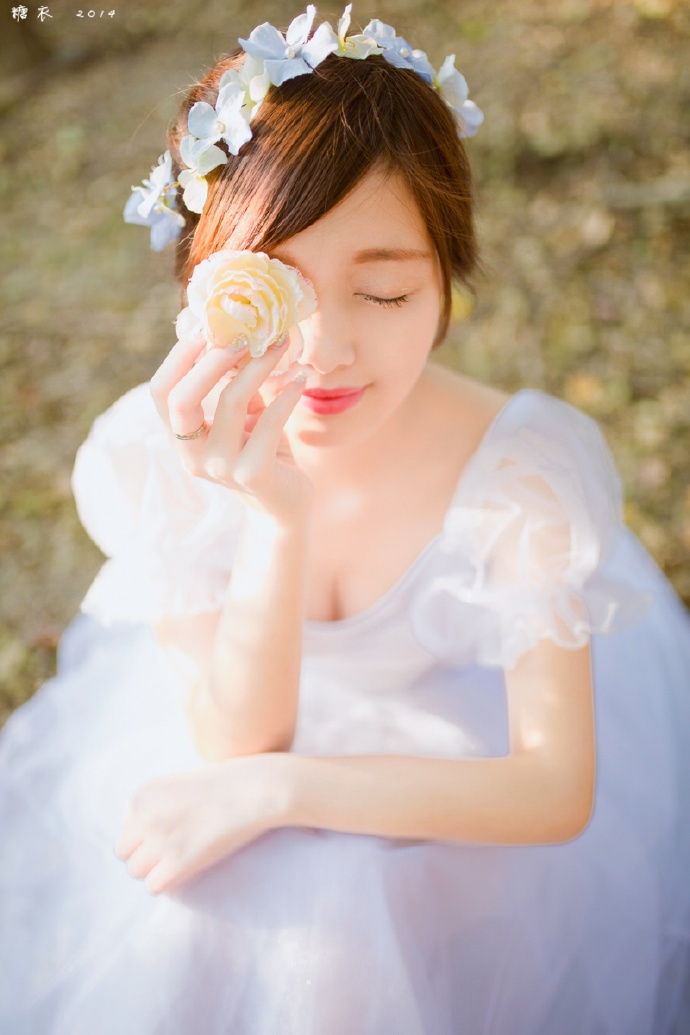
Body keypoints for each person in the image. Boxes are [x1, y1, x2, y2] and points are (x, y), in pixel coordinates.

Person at [1, 7, 689, 1033]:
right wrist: (274, 518)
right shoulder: (160, 456)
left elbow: (553, 789)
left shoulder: (519, 478)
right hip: (243, 716)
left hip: (454, 758)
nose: (324, 353)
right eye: (277, 290)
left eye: (383, 293)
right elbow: (235, 740)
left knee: (335, 921)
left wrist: (282, 792)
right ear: (202, 285)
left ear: (446, 281)